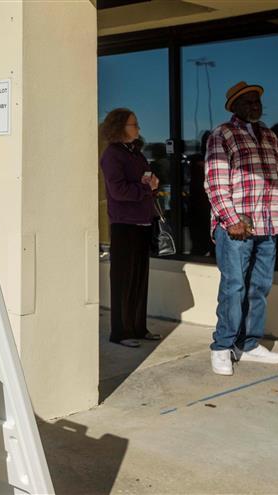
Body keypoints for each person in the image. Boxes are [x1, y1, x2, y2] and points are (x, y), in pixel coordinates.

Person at [205, 81, 278, 375]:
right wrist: (231, 220)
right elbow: (215, 182)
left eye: (257, 101)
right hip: (237, 226)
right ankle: (222, 346)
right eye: (249, 102)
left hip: (268, 224)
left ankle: (248, 344)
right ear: (234, 107)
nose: (255, 106)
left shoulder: (270, 136)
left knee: (259, 288)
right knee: (234, 287)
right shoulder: (222, 135)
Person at [100, 108, 162, 348]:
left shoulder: (136, 153)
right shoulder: (112, 155)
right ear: (119, 128)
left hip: (142, 221)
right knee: (123, 280)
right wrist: (147, 188)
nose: (138, 128)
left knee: (139, 279)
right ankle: (120, 332)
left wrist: (152, 184)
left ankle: (138, 327)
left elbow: (145, 182)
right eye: (133, 125)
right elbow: (118, 191)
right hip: (124, 224)